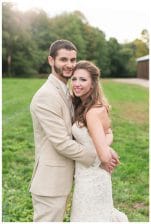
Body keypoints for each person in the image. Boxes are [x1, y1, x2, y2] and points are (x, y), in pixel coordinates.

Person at [29, 40, 117, 221]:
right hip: (50, 182)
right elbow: (62, 142)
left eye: (73, 60)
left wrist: (105, 147)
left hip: (71, 177)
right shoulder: (46, 96)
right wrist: (98, 157)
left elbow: (97, 132)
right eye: (63, 59)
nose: (69, 65)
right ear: (51, 60)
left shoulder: (70, 94)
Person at [69, 60, 128, 221]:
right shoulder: (91, 105)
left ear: (93, 84)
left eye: (83, 79)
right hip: (89, 173)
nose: (77, 83)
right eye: (74, 79)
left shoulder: (92, 112)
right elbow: (108, 133)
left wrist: (105, 152)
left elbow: (104, 157)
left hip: (92, 176)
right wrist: (106, 146)